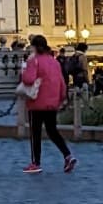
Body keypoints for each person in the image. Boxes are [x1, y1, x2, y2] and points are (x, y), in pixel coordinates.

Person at [19, 34, 74, 174]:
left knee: (35, 133)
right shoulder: (54, 62)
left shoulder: (34, 61)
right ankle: (67, 155)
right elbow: (62, 82)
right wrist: (61, 98)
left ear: (35, 47)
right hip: (52, 102)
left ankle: (36, 162)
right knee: (52, 131)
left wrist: (23, 70)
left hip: (37, 102)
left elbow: (28, 79)